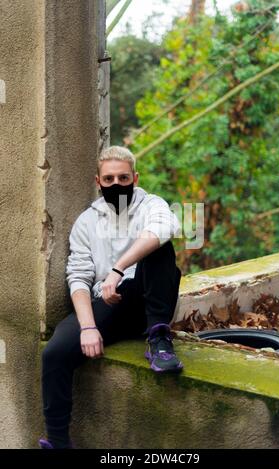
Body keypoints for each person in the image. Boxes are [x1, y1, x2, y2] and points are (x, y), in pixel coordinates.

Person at [39, 146, 183, 449]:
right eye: (109, 179)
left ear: (135, 177)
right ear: (98, 181)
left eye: (123, 177)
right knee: (54, 353)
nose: (116, 184)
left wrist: (118, 269)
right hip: (109, 307)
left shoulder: (151, 205)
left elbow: (165, 227)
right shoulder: (87, 222)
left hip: (148, 302)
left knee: (160, 246)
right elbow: (77, 276)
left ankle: (159, 339)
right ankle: (58, 443)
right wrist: (89, 327)